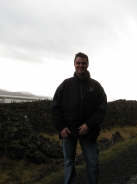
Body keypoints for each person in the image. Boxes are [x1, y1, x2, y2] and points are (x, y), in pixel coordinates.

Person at [51, 52, 107, 184]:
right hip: (68, 132)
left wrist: (89, 124)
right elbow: (55, 106)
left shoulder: (96, 86)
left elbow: (102, 108)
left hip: (88, 132)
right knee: (69, 162)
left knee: (93, 163)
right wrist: (61, 127)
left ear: (87, 64)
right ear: (74, 64)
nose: (80, 65)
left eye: (83, 63)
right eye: (78, 63)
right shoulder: (65, 85)